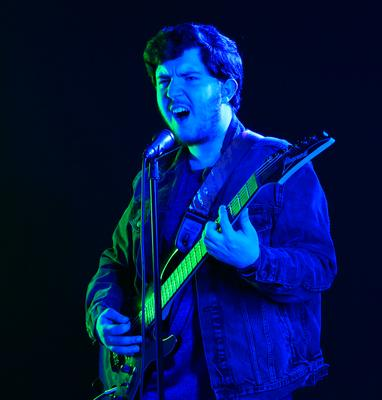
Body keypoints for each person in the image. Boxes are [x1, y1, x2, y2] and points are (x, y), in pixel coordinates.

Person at [85, 22, 337, 400]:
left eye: (189, 77)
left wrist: (255, 260)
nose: (172, 92)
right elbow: (115, 261)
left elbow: (319, 268)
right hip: (152, 386)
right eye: (163, 80)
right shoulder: (155, 177)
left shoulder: (273, 161)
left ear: (227, 88)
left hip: (244, 389)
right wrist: (102, 314)